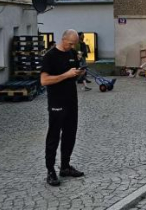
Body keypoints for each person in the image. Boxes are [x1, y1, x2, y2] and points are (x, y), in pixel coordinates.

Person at [41, 29, 86, 186]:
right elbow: (44, 81)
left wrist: (79, 73)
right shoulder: (50, 56)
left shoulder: (72, 53)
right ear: (63, 39)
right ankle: (50, 170)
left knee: (70, 134)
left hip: (71, 101)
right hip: (56, 102)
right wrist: (65, 75)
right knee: (54, 135)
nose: (72, 46)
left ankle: (65, 166)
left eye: (74, 44)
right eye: (70, 43)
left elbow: (73, 75)